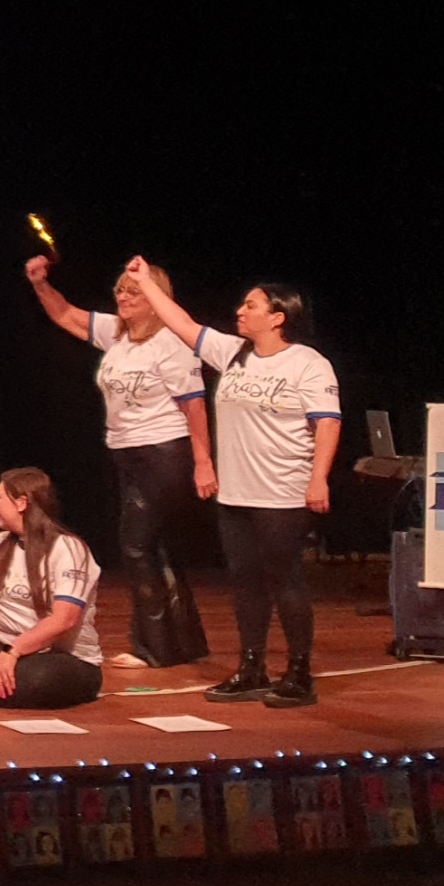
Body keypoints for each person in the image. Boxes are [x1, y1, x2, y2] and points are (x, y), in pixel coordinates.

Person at [128, 262, 341, 708]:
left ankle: (299, 672)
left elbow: (327, 423)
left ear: (278, 317)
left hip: (282, 494)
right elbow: (182, 323)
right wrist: (145, 282)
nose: (240, 312)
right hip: (236, 495)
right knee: (245, 584)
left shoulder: (308, 363)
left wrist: (318, 478)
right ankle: (251, 668)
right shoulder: (233, 353)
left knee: (286, 581)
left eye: (251, 306)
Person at [26, 254, 216, 668]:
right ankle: (182, 643)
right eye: (120, 291)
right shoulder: (117, 334)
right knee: (156, 547)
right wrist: (41, 284)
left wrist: (203, 462)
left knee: (135, 545)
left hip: (163, 451)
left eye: (133, 292)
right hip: (126, 451)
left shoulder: (172, 343)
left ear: (155, 298)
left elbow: (195, 406)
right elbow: (65, 315)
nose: (123, 298)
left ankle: (153, 647)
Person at [0, 466, 106, 710]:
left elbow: (64, 619)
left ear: (21, 503)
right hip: (5, 646)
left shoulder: (68, 548)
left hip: (59, 659)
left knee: (38, 681)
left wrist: (13, 652)